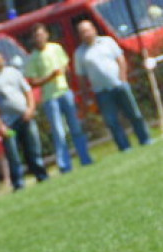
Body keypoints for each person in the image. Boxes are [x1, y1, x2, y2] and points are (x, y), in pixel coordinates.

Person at [74, 21, 152, 151]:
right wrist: (86, 95)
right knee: (112, 122)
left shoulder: (107, 41)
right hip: (101, 92)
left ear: (94, 29)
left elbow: (120, 59)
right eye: (82, 32)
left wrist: (123, 78)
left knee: (134, 114)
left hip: (119, 85)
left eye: (87, 30)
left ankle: (145, 139)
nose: (86, 34)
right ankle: (124, 147)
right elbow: (81, 77)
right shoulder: (79, 53)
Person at [25, 23, 93, 173]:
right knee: (59, 132)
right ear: (32, 39)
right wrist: (50, 77)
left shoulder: (56, 48)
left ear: (46, 35)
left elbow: (66, 67)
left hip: (65, 92)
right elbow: (32, 81)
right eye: (36, 36)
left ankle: (85, 158)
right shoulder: (32, 58)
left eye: (41, 34)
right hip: (50, 98)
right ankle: (65, 165)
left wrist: (64, 77)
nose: (39, 38)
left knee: (76, 127)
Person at [0, 50, 48, 191]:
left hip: (25, 116)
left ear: (3, 59)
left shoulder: (14, 73)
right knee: (13, 155)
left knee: (33, 148)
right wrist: (0, 125)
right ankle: (18, 183)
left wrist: (30, 109)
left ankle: (41, 176)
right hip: (8, 123)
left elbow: (27, 91)